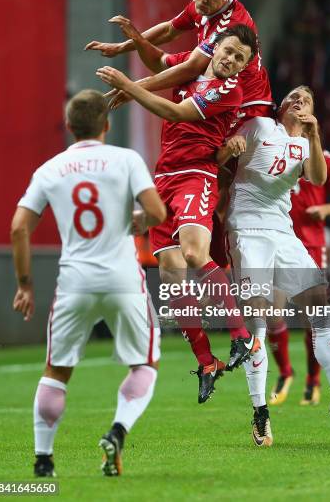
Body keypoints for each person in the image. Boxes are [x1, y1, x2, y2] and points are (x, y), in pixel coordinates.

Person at [96, 24, 261, 404]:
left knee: (193, 254)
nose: (231, 60)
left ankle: (240, 335)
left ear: (242, 68)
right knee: (172, 283)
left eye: (240, 58)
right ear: (214, 48)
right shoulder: (191, 71)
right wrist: (136, 39)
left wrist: (130, 84)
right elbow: (159, 61)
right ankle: (206, 361)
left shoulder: (228, 89)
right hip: (164, 178)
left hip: (196, 175)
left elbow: (174, 110)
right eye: (229, 51)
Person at [11, 90, 166, 478]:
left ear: (68, 127)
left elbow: (18, 228)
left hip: (75, 282)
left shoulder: (50, 169)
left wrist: (25, 284)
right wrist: (140, 221)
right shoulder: (126, 159)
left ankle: (43, 461)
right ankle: (117, 430)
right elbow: (157, 211)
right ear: (107, 124)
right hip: (122, 278)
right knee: (144, 363)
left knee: (56, 371)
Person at [219, 85, 330, 446]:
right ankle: (260, 412)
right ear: (283, 105)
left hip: (284, 232)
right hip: (247, 228)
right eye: (295, 96)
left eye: (308, 99)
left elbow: (317, 178)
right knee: (257, 322)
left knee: (322, 308)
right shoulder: (258, 126)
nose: (301, 100)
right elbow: (217, 160)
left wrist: (315, 134)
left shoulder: (306, 145)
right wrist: (229, 149)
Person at [85, 0, 274, 122]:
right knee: (164, 64)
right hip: (216, 88)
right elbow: (169, 30)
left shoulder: (230, 25)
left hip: (248, 107)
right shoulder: (201, 6)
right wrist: (121, 47)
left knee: (180, 109)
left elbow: (191, 68)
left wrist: (133, 88)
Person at [267, 150, 330, 407]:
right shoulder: (275, 149)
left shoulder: (326, 159)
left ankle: (313, 380)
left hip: (311, 246)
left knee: (313, 319)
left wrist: (326, 208)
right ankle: (284, 373)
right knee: (272, 314)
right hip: (278, 242)